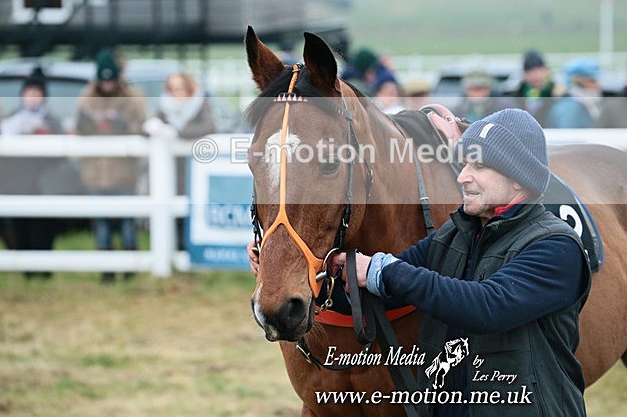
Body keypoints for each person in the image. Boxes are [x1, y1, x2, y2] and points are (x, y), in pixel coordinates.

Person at [249, 109, 591, 415]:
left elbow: (488, 307)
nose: (462, 177)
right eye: (465, 164)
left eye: (479, 166)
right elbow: (371, 295)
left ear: (519, 178)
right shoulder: (455, 234)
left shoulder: (555, 247)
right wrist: (289, 270)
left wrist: (386, 271)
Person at [75, 48, 146, 283]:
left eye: (111, 79)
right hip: (95, 173)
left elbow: (142, 129)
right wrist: (84, 123)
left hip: (123, 173)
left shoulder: (133, 98)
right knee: (101, 224)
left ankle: (129, 269)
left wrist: (123, 124)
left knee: (127, 222)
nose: (106, 84)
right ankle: (107, 271)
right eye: (103, 80)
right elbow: (79, 131)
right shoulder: (86, 98)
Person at [0, 67, 64, 277]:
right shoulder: (11, 118)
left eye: (37, 93)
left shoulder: (52, 120)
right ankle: (27, 270)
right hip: (18, 182)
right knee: (21, 227)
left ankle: (43, 271)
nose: (32, 98)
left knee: (43, 229)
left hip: (44, 182)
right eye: (29, 92)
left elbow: (61, 152)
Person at [143, 71, 215, 249]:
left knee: (192, 208)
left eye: (180, 87)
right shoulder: (165, 105)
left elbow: (208, 126)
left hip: (195, 166)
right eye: (172, 88)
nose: (176, 92)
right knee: (172, 209)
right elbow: (150, 126)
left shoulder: (200, 103)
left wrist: (177, 133)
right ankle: (175, 248)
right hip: (172, 170)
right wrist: (152, 127)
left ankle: (189, 250)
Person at [508, 49, 563, 127]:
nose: (536, 76)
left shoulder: (557, 92)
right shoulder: (516, 94)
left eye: (539, 71)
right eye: (531, 72)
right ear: (524, 74)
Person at [547, 57, 602, 128]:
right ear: (580, 82)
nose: (597, 84)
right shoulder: (569, 108)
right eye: (592, 80)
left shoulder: (584, 103)